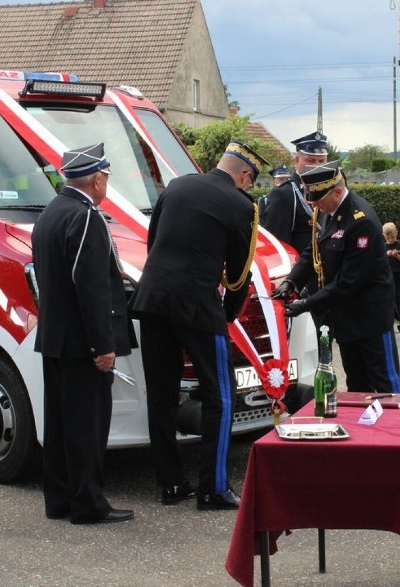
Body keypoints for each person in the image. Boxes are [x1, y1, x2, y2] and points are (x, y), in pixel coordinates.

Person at [130, 139, 268, 511]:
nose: (249, 188)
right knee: (219, 397)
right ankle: (214, 488)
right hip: (197, 307)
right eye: (250, 181)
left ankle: (171, 483)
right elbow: (239, 274)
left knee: (161, 395)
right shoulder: (242, 205)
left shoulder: (177, 185)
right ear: (244, 175)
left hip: (154, 299)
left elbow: (153, 241)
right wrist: (226, 314)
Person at [32, 143, 134, 524]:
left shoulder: (50, 213)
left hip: (57, 337)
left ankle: (59, 500)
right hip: (82, 343)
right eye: (106, 177)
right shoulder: (86, 217)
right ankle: (88, 503)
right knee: (87, 427)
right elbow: (90, 287)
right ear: (96, 179)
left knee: (59, 425)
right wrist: (102, 343)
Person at [273, 161, 400, 394]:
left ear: (338, 192)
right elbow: (313, 251)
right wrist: (290, 282)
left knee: (385, 384)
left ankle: (396, 429)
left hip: (369, 316)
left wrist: (306, 304)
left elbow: (349, 282)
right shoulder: (325, 211)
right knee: (356, 384)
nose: (316, 206)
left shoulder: (360, 221)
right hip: (344, 316)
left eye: (319, 200)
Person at [260, 131, 328, 254]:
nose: (317, 166)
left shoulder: (330, 191)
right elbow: (277, 245)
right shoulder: (284, 194)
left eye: (321, 161)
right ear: (297, 160)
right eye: (311, 160)